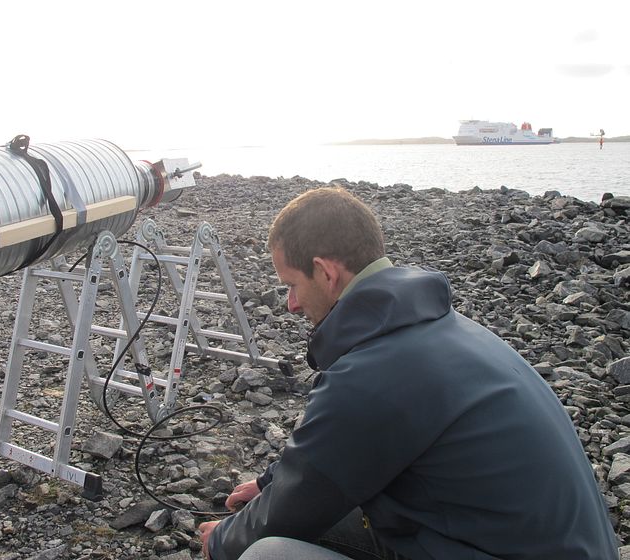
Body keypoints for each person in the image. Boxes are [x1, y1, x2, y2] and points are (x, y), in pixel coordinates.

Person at [199, 187, 618, 560]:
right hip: (522, 542)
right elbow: (338, 454)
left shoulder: (375, 371)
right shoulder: (439, 330)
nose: (290, 304)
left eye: (291, 284)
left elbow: (296, 504)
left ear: (326, 272)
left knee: (265, 555)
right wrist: (270, 483)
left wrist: (221, 541)